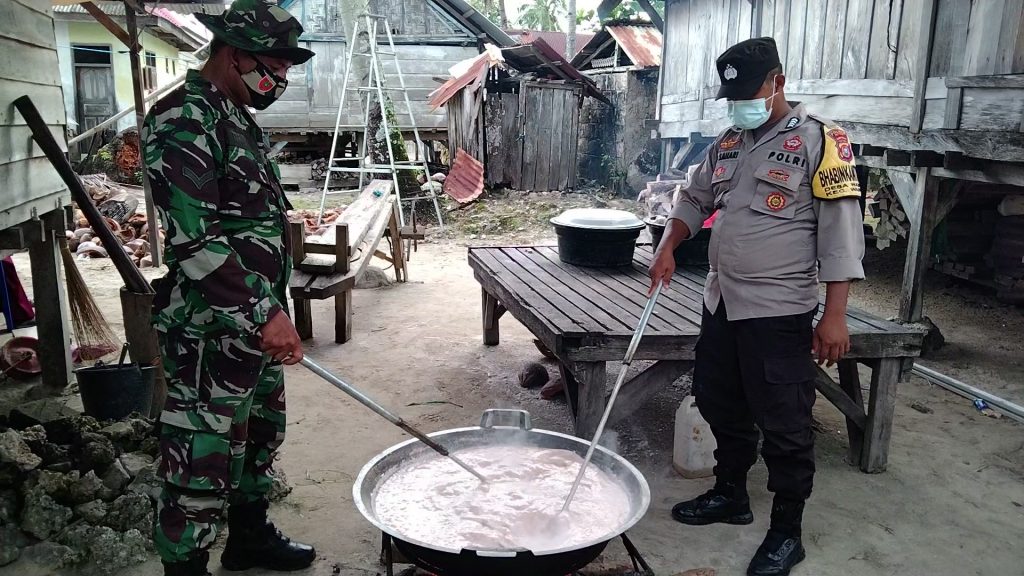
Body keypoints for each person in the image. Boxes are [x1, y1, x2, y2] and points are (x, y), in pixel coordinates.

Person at [648, 37, 865, 576]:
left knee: (786, 421)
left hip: (779, 308)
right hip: (721, 300)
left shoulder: (822, 142)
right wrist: (670, 242)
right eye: (733, 96)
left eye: (750, 92)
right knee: (719, 400)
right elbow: (695, 197)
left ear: (778, 83)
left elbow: (841, 235)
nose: (740, 104)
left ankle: (788, 532)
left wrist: (834, 314)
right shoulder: (728, 142)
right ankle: (730, 494)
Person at [141, 1, 315, 574]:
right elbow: (198, 241)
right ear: (233, 53)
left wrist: (269, 309)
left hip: (251, 322)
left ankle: (248, 540)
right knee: (201, 452)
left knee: (259, 435)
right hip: (208, 330)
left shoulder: (234, 115)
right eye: (275, 64)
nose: (281, 78)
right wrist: (266, 314)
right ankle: (185, 566)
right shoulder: (184, 119)